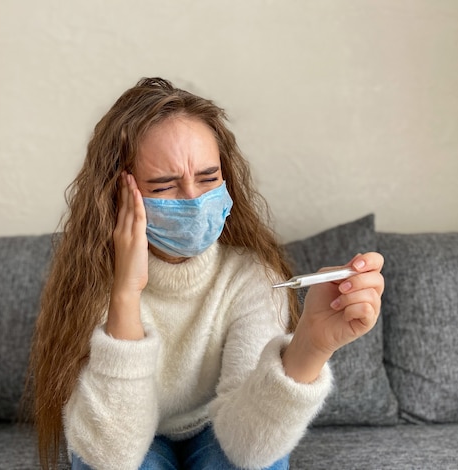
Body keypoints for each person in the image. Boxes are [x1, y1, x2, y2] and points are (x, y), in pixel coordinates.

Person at [27, 77, 384, 470]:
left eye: (209, 178)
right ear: (116, 194)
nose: (195, 200)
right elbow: (112, 456)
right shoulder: (94, 281)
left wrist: (312, 346)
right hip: (130, 439)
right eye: (165, 186)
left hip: (218, 425)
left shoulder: (250, 277)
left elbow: (252, 450)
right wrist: (125, 294)